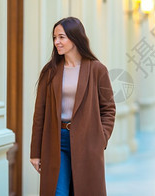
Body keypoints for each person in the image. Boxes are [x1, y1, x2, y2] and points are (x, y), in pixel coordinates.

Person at [30, 17, 116, 196]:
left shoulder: (97, 70)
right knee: (58, 192)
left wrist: (101, 138)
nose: (56, 42)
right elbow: (40, 113)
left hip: (87, 141)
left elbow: (108, 109)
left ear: (75, 38)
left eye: (61, 37)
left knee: (84, 191)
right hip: (55, 140)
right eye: (54, 38)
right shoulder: (50, 71)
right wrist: (35, 151)